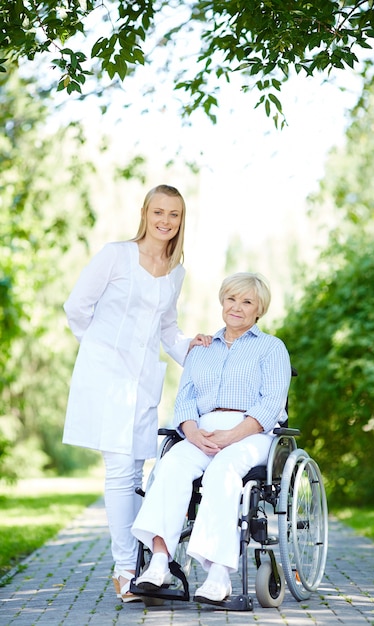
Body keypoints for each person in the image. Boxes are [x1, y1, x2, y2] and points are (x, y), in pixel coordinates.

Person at [62, 184, 211, 602]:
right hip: (106, 379)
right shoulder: (116, 255)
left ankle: (136, 566)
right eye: (158, 212)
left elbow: (166, 330)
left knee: (137, 474)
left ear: (182, 221)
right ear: (145, 213)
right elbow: (77, 307)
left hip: (145, 381)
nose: (165, 221)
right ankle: (125, 569)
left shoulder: (175, 270)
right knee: (119, 470)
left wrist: (192, 350)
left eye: (174, 215)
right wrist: (99, 351)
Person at [131, 272, 292, 604]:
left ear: (259, 309)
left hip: (251, 432)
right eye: (231, 299)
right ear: (222, 301)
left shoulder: (271, 348)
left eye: (247, 302)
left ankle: (219, 574)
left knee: (224, 469)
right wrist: (191, 431)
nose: (237, 307)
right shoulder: (201, 348)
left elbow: (270, 403)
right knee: (171, 463)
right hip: (202, 430)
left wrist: (233, 435)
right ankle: (160, 562)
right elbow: (185, 400)